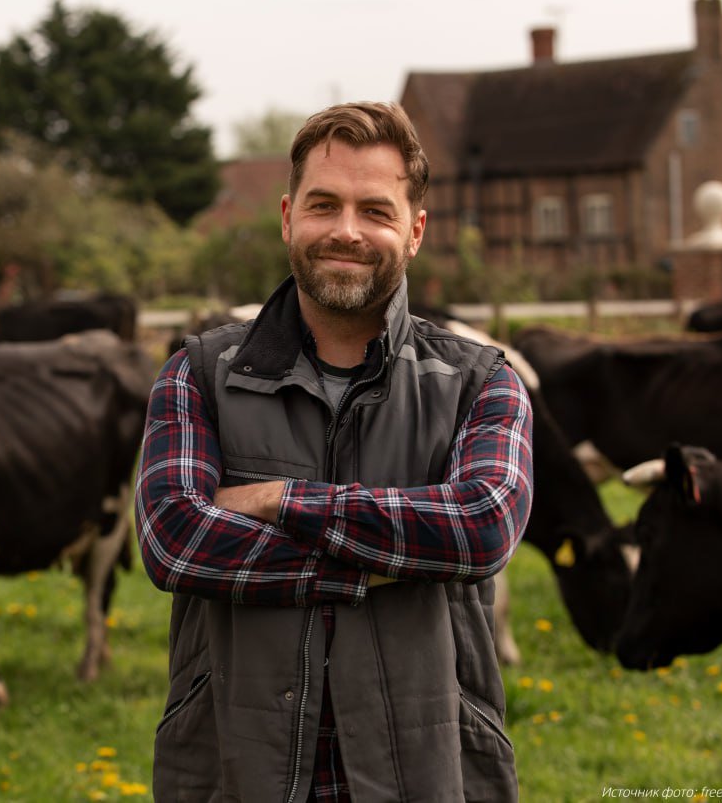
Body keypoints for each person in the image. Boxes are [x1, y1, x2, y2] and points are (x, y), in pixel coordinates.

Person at [135, 101, 533, 802]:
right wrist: (382, 564)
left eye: (374, 211)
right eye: (324, 205)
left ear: (413, 231)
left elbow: (479, 527)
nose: (346, 231)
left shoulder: (480, 381)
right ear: (288, 217)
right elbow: (175, 539)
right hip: (234, 769)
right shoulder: (197, 373)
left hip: (429, 769)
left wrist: (278, 499)